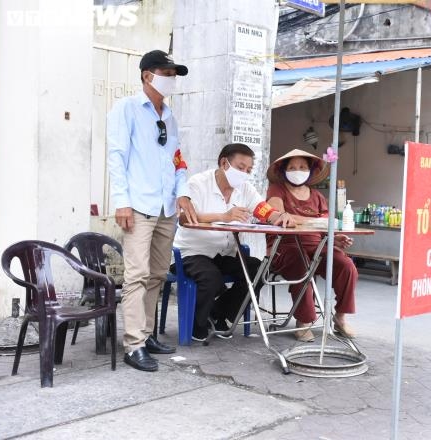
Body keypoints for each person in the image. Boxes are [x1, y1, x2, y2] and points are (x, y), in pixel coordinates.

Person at [107, 49, 198, 372]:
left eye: (174, 75)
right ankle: (133, 344)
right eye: (167, 73)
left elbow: (177, 161)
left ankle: (145, 335)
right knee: (136, 275)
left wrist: (183, 194)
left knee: (158, 274)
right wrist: (122, 201)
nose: (171, 80)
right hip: (138, 205)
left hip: (165, 207)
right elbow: (116, 156)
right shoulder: (127, 108)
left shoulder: (169, 117)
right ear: (148, 75)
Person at [173, 143, 295, 342]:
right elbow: (184, 218)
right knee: (211, 278)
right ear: (224, 163)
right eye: (241, 167)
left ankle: (218, 313)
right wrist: (224, 216)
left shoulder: (244, 188)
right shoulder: (198, 183)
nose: (245, 174)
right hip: (192, 252)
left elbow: (262, 210)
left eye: (248, 170)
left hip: (225, 253)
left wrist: (279, 217)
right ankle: (196, 323)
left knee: (259, 270)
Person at [266, 149, 358, 342]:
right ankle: (304, 321)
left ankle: (340, 317)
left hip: (317, 245)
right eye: (292, 167)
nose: (297, 170)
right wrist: (312, 221)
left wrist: (336, 237)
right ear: (283, 171)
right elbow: (280, 216)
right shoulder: (277, 189)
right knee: (301, 265)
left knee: (346, 265)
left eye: (302, 167)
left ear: (310, 171)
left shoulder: (317, 196)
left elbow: (326, 226)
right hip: (284, 247)